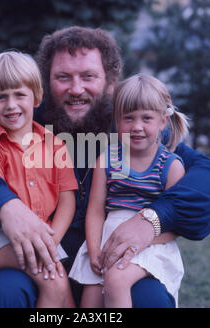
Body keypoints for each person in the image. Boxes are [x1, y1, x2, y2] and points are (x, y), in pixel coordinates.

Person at [0, 26, 210, 308]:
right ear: (46, 84)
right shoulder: (24, 123)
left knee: (150, 297)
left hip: (113, 266)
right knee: (4, 291)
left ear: (110, 82)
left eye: (88, 76)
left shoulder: (131, 129)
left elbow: (208, 177)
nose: (76, 89)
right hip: (38, 262)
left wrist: (153, 219)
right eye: (63, 77)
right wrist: (6, 205)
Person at [69, 74, 189, 307]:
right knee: (90, 302)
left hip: (151, 245)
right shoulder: (108, 159)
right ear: (117, 120)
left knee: (116, 279)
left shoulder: (170, 166)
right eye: (128, 118)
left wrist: (142, 243)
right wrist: (94, 250)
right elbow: (95, 210)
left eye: (146, 118)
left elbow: (176, 223)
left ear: (163, 121)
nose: (137, 127)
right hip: (106, 241)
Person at [0, 51, 77, 307]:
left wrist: (51, 241)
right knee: (54, 281)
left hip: (43, 236)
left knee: (68, 297)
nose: (11, 105)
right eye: (0, 97)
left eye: (19, 94)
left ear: (37, 97)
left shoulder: (55, 146)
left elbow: (67, 200)